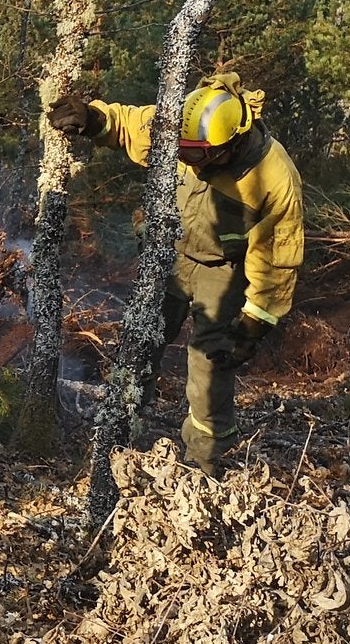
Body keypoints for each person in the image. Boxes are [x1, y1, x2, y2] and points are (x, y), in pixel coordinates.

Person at [45, 72, 304, 475]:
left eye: (198, 157)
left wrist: (255, 322)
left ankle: (203, 459)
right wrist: (94, 119)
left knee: (210, 362)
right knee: (141, 342)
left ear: (232, 143)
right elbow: (134, 124)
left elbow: (277, 257)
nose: (187, 162)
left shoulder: (273, 175)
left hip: (222, 269)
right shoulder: (185, 130)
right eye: (182, 153)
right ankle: (118, 435)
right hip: (167, 256)